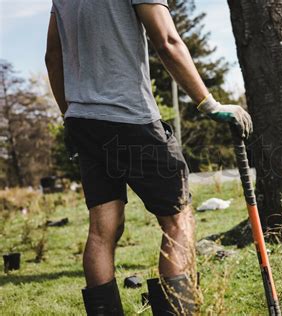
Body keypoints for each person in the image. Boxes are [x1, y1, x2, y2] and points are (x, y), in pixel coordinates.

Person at [45, 1, 252, 315]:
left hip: (84, 122)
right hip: (130, 117)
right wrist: (209, 104)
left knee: (102, 231)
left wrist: (71, 116)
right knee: (177, 221)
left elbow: (53, 56)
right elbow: (167, 41)